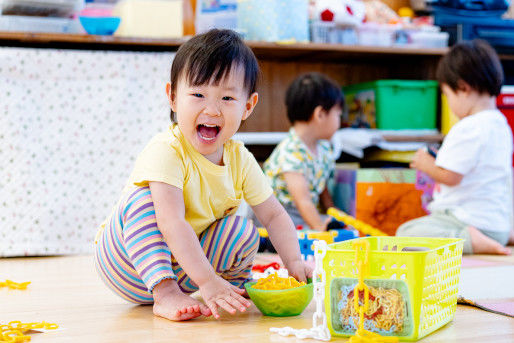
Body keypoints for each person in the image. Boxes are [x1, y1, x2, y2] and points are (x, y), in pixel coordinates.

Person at [94, 29, 312, 322]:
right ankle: (165, 292)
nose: (211, 109)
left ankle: (229, 290)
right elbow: (171, 224)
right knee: (145, 201)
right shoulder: (166, 150)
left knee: (244, 230)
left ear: (248, 106)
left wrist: (294, 262)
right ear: (172, 97)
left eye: (226, 98)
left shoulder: (241, 160)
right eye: (198, 94)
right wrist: (206, 280)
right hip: (127, 264)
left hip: (185, 269)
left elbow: (273, 216)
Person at [397, 39, 513, 255]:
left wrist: (426, 163)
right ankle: (501, 235)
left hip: (464, 219)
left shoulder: (468, 127)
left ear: (463, 88)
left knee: (405, 232)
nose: (449, 104)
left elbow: (451, 176)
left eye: (447, 96)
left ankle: (469, 241)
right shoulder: (500, 124)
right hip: (496, 223)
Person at [263, 73, 344, 231]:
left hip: (303, 212)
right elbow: (303, 201)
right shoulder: (291, 152)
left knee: (338, 225)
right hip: (278, 212)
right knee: (293, 229)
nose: (339, 121)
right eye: (338, 114)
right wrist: (321, 229)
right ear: (320, 114)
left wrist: (335, 215)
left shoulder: (324, 148)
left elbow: (322, 189)